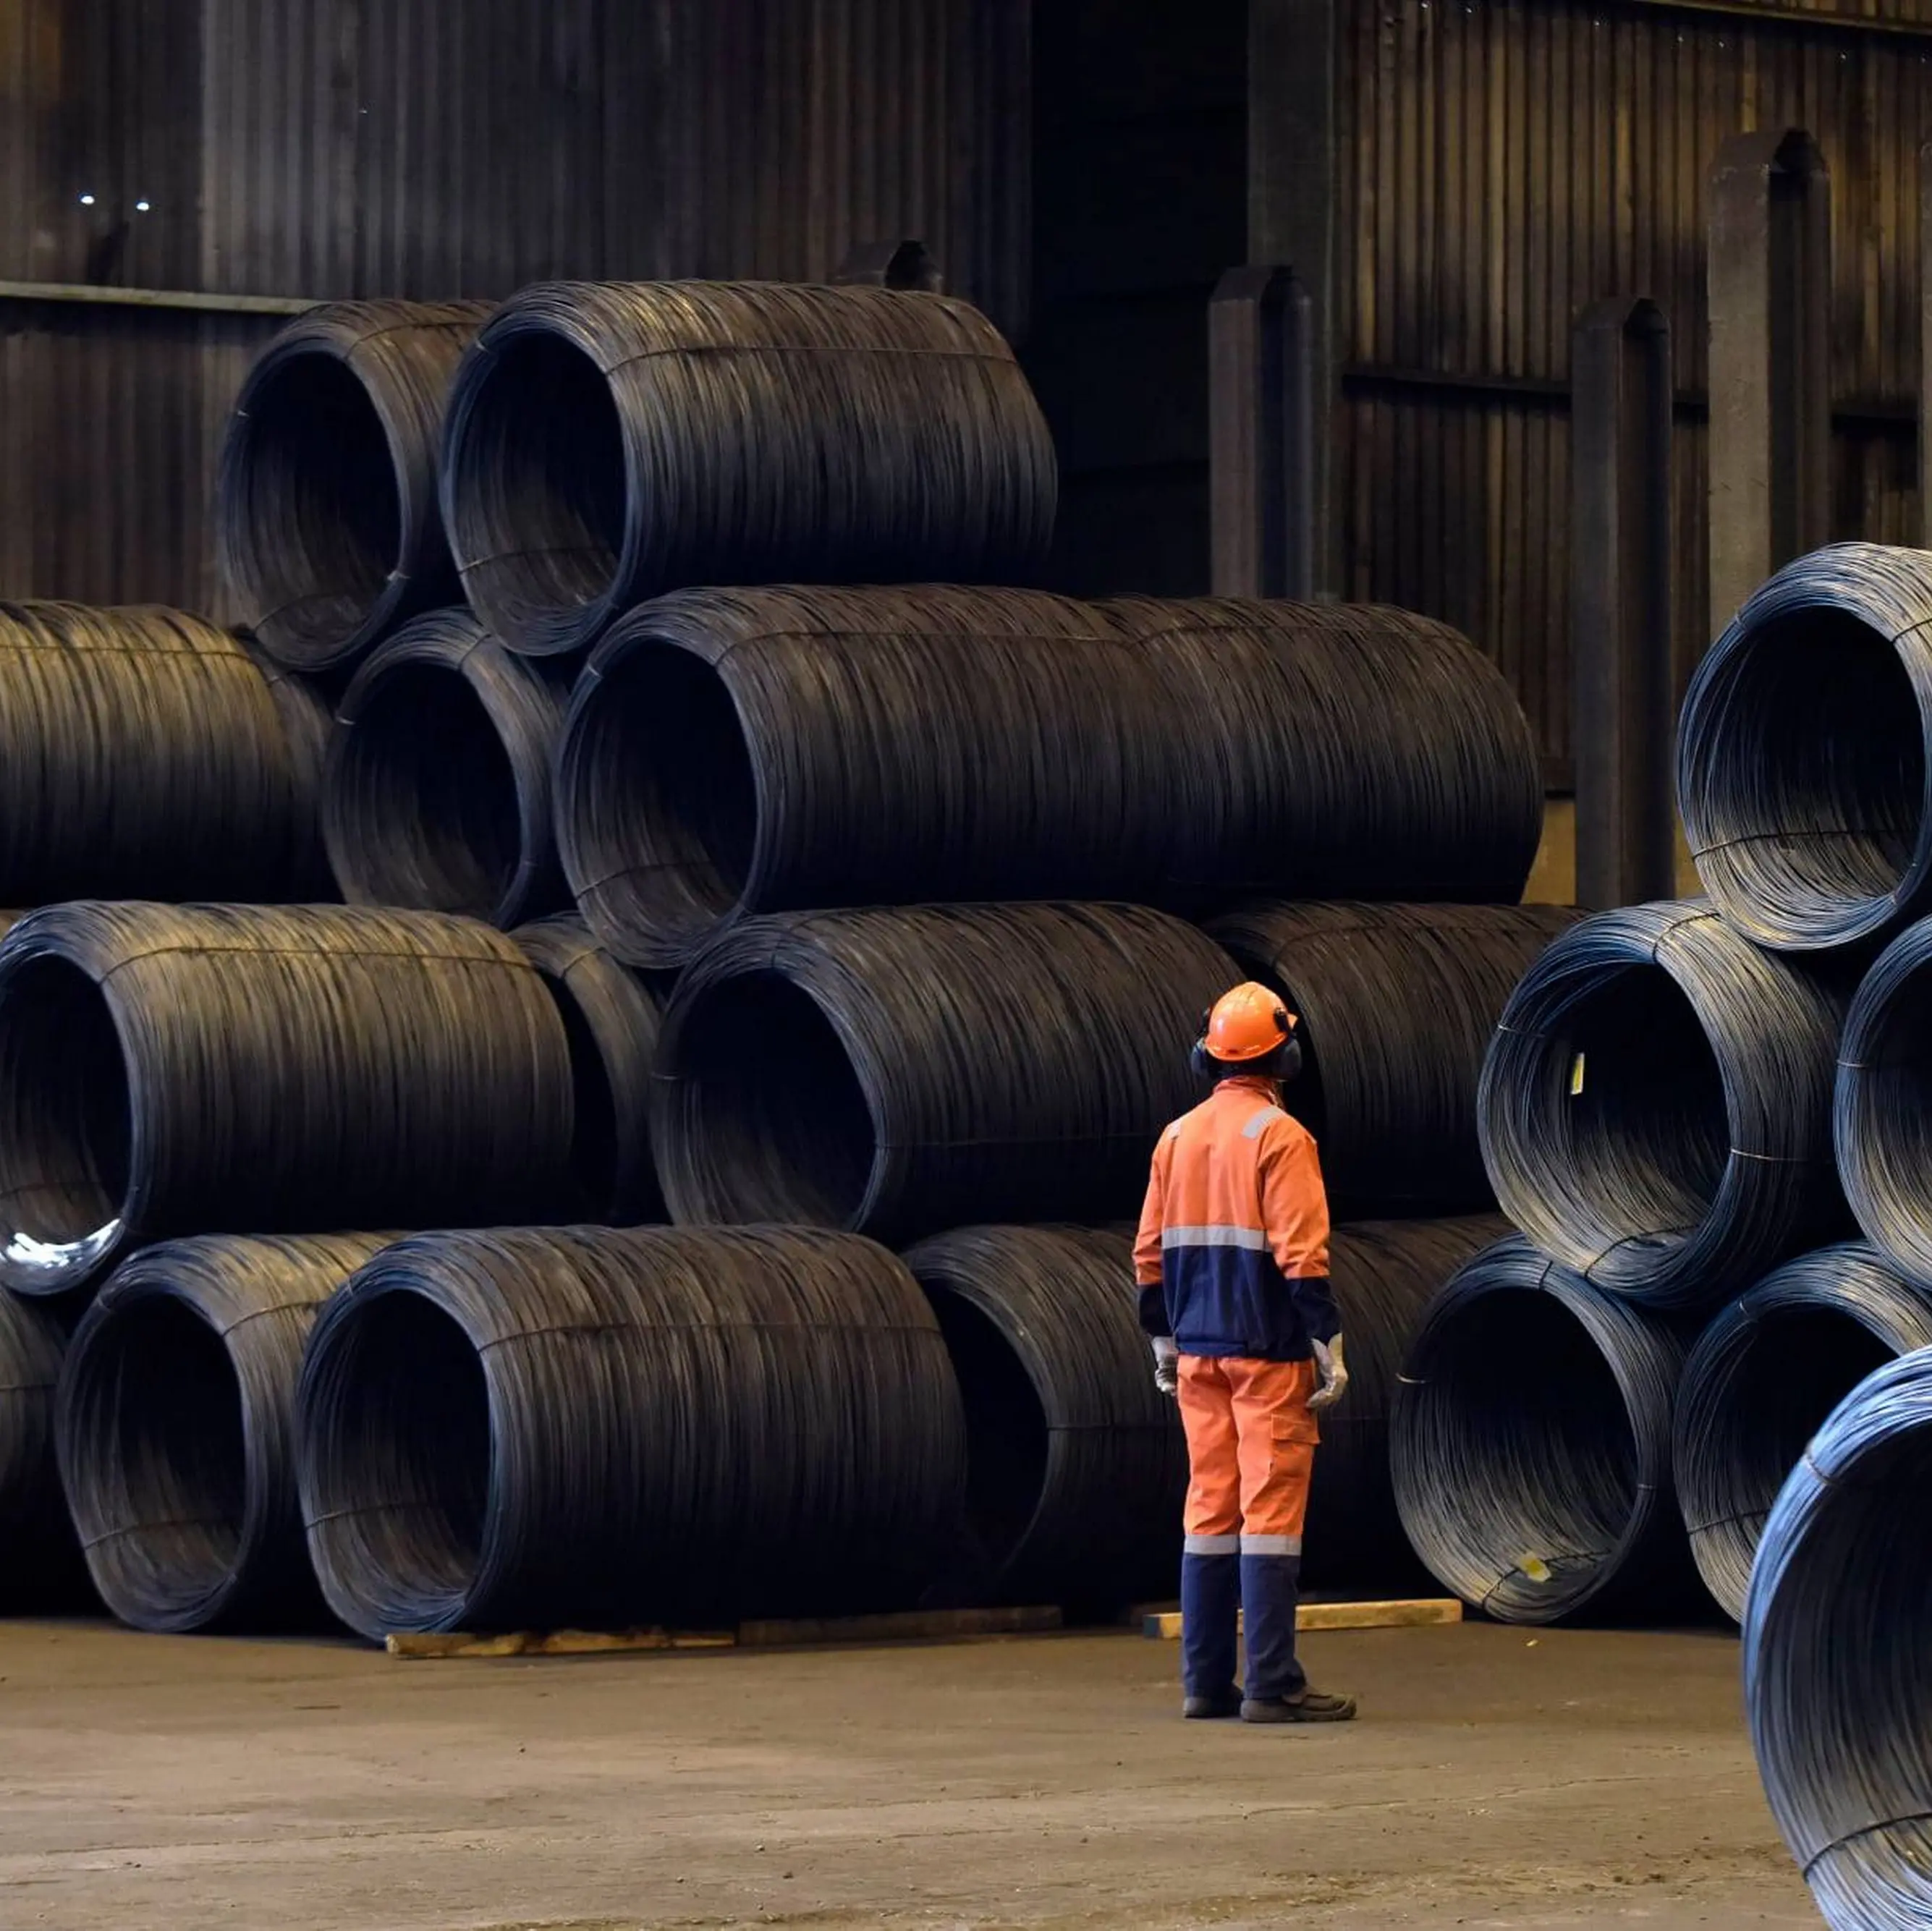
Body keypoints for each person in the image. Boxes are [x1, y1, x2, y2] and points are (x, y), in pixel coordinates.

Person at [1134, 981, 1356, 1724]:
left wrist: (1165, 1343)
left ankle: (1205, 1683)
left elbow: (1148, 1254)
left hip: (1198, 1353)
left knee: (1209, 1510)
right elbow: (1301, 1255)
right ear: (1286, 1055)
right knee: (1270, 1514)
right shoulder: (1281, 1137)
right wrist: (1328, 1344)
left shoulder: (1176, 1136)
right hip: (1267, 1352)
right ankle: (1272, 1683)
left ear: (1206, 1056)